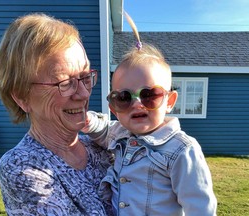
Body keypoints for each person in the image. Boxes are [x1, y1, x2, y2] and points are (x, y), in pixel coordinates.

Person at [82, 14, 217, 215]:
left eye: (149, 95)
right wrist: (86, 121)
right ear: (114, 108)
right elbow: (102, 130)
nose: (137, 104)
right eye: (124, 98)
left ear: (169, 101)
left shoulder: (181, 150)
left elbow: (200, 207)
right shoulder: (120, 133)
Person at [0, 13, 112, 215]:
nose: (84, 94)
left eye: (85, 77)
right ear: (22, 96)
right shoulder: (21, 166)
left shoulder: (99, 147)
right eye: (65, 83)